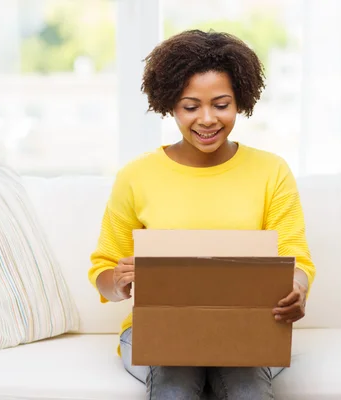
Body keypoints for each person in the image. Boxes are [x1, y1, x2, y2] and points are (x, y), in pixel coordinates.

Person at [88, 29, 316, 400]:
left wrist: (297, 288)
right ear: (170, 106)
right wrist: (120, 281)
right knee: (173, 386)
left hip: (248, 329)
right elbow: (102, 270)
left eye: (221, 104)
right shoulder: (136, 176)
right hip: (158, 333)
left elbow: (296, 256)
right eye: (191, 106)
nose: (207, 119)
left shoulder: (271, 171)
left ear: (240, 101)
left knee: (248, 389)